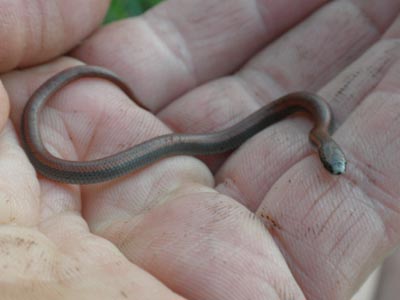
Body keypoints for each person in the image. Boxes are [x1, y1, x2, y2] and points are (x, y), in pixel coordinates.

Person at [0, 0, 399, 299]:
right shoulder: (318, 125)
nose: (332, 168)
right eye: (333, 165)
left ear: (322, 148)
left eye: (332, 166)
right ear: (323, 150)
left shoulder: (319, 123)